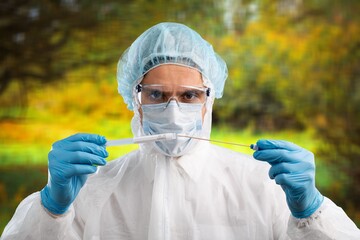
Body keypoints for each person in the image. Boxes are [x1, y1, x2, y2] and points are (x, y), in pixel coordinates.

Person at [1, 22, 359, 240]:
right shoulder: (95, 189)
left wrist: (310, 211)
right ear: (135, 99)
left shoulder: (260, 184)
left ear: (209, 99)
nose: (173, 109)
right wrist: (52, 208)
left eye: (189, 95)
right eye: (156, 94)